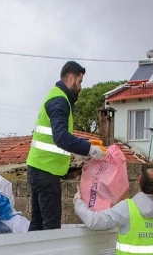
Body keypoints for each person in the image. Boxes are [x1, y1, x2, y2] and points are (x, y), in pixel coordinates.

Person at [27, 61, 105, 231]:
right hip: (46, 172)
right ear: (71, 78)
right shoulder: (60, 101)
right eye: (80, 82)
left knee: (38, 224)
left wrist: (80, 149)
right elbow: (61, 138)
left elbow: (60, 137)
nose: (80, 87)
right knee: (51, 226)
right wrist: (89, 149)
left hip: (38, 168)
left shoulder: (55, 97)